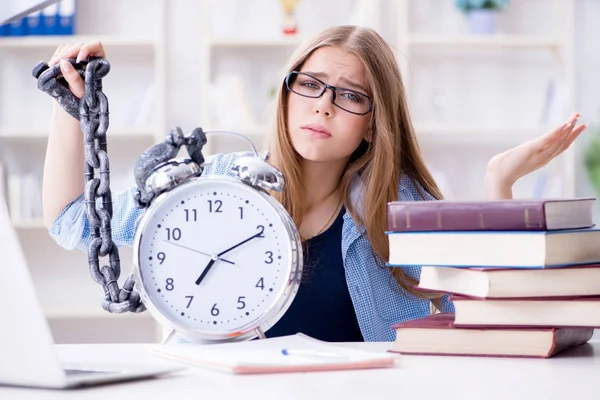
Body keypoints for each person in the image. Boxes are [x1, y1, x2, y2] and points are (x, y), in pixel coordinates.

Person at [41, 25, 586, 343]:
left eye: (350, 95)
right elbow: (74, 224)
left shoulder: (395, 205)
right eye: (311, 84)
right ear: (286, 93)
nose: (323, 104)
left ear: (374, 122)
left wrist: (500, 180)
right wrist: (74, 107)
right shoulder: (216, 188)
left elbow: (489, 309)